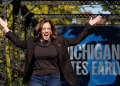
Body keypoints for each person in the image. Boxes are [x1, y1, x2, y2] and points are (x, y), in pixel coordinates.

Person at [0, 16, 101, 86]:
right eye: (44, 28)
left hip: (54, 78)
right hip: (36, 78)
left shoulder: (60, 40)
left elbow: (76, 40)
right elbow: (18, 43)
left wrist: (89, 26)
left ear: (51, 30)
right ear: (40, 31)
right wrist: (6, 28)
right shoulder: (32, 41)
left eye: (48, 28)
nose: (46, 30)